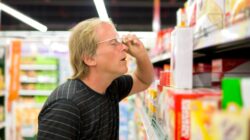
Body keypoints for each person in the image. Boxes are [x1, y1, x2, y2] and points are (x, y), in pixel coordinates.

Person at [37, 17, 154, 140]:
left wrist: (141, 54)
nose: (124, 47)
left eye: (120, 41)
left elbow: (143, 80)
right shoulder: (66, 105)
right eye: (114, 43)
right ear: (89, 58)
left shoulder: (110, 87)